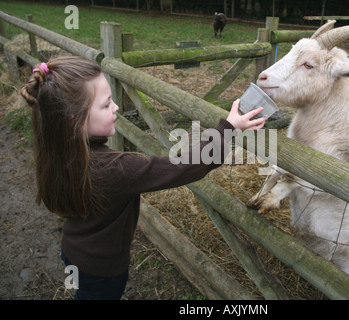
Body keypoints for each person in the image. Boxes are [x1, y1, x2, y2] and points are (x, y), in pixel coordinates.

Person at [20, 56, 265, 300]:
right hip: (103, 271)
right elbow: (183, 166)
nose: (115, 107)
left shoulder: (55, 149)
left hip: (73, 251)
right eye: (106, 105)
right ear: (75, 120)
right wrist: (228, 128)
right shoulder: (116, 169)